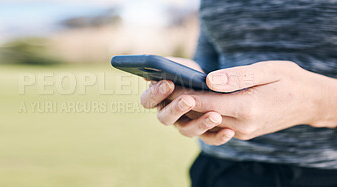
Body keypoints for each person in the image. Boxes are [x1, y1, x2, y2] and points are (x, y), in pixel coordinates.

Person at [139, 0, 337, 186]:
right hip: (219, 167)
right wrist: (187, 84)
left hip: (323, 172)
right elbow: (211, 62)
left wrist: (315, 103)